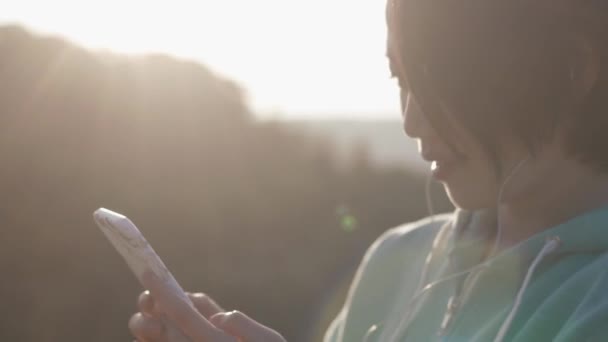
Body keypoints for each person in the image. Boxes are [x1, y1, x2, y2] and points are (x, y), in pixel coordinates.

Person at [129, 0, 608, 341]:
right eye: (401, 79)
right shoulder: (397, 258)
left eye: (439, 82)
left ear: (572, 69)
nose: (411, 120)